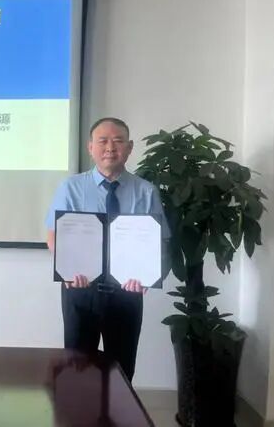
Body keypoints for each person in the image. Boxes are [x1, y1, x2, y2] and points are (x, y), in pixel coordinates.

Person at [45, 117, 169, 381]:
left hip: (127, 292)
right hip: (80, 290)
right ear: (90, 147)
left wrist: (147, 276)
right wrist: (67, 268)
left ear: (129, 147)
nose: (110, 148)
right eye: (103, 141)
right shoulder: (71, 187)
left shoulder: (146, 191)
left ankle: (116, 409)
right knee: (77, 368)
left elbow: (159, 241)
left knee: (121, 370)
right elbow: (53, 234)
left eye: (118, 141)